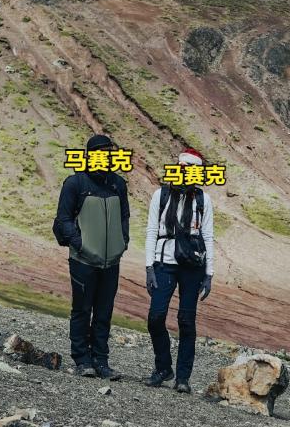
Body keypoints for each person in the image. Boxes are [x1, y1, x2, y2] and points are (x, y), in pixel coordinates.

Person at [53, 133, 129, 380]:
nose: (107, 156)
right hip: (83, 261)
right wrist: (80, 244)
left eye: (110, 152)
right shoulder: (75, 183)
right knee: (82, 309)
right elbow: (63, 219)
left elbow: (124, 217)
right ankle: (82, 360)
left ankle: (101, 361)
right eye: (102, 151)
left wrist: (122, 243)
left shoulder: (118, 183)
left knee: (104, 312)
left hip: (111, 262)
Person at [143, 147, 215, 393]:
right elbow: (152, 231)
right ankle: (163, 367)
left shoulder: (203, 200)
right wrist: (149, 266)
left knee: (186, 321)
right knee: (155, 317)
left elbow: (208, 236)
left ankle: (183, 377)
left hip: (192, 266)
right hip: (164, 263)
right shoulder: (160, 195)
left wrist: (209, 273)